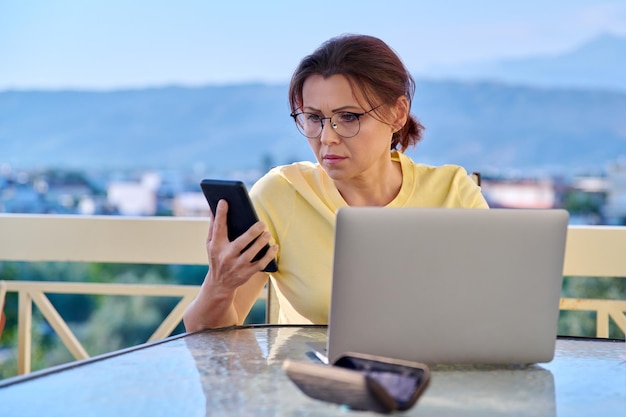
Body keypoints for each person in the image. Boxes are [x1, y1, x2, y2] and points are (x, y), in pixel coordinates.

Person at [183, 34, 489, 331]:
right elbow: (207, 336)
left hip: (438, 376)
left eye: (349, 117)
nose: (327, 138)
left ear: (397, 114)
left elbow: (494, 308)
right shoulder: (282, 193)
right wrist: (219, 285)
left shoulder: (453, 192)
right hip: (314, 380)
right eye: (314, 118)